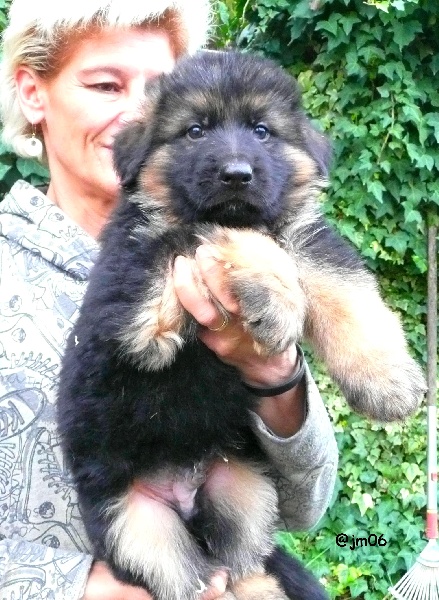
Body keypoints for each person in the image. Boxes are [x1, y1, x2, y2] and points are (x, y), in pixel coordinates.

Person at [0, 0, 338, 598]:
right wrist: (73, 586)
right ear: (33, 92)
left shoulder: (249, 248)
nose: (138, 113)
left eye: (160, 91)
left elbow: (307, 504)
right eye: (106, 85)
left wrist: (272, 369)